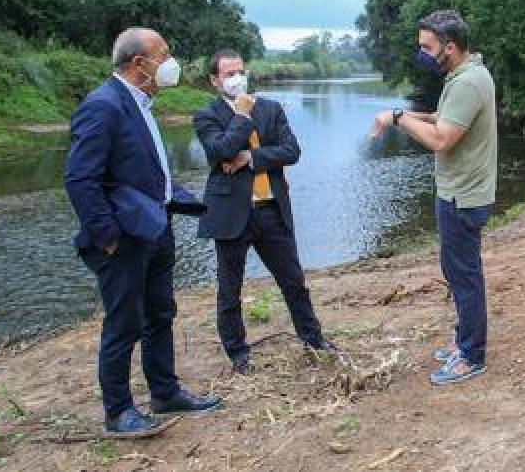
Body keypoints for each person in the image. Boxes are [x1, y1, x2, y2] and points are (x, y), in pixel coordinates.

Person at [64, 27, 222, 439]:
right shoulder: (103, 106)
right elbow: (81, 180)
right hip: (123, 240)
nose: (170, 62)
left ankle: (165, 393)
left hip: (154, 229)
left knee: (159, 315)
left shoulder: (141, 102)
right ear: (140, 64)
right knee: (123, 323)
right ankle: (118, 413)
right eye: (163, 54)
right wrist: (108, 237)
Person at [370, 9, 498, 386]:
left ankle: (472, 355)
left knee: (464, 275)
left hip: (463, 195)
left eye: (427, 47)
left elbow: (441, 139)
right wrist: (405, 115)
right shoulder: (463, 75)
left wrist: (396, 118)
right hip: (457, 192)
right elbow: (441, 119)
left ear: (450, 46)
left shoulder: (467, 83)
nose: (422, 54)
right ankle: (465, 341)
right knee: (457, 271)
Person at [192, 50, 333, 373]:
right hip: (231, 213)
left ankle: (313, 339)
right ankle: (237, 353)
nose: (237, 78)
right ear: (215, 80)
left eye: (240, 71)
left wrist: (251, 159)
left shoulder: (270, 108)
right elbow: (221, 150)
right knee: (230, 290)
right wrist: (241, 117)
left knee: (294, 281)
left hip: (271, 209)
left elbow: (291, 151)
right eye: (229, 74)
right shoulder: (206, 115)